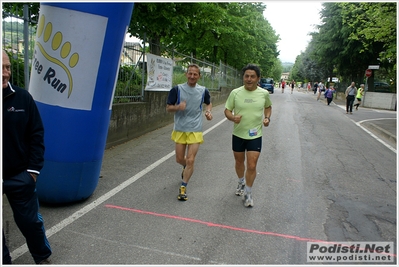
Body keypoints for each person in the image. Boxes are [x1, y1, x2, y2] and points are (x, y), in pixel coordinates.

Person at [2, 50, 52, 264]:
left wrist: (32, 171)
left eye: (8, 68)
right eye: (1, 69)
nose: (6, 73)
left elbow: (36, 134)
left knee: (30, 222)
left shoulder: (22, 98)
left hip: (19, 175)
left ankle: (41, 256)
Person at [224, 64, 272, 208]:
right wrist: (232, 118)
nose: (249, 79)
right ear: (243, 77)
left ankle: (248, 193)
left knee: (252, 165)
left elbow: (268, 107)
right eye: (246, 76)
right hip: (238, 134)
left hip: (255, 135)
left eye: (252, 76)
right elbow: (227, 110)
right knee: (239, 163)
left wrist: (267, 118)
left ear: (258, 78)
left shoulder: (264, 93)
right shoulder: (235, 93)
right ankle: (241, 182)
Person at [166, 63, 213, 201]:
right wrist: (178, 107)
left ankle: (183, 187)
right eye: (190, 73)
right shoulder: (177, 89)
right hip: (180, 128)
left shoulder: (203, 90)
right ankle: (186, 167)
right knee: (180, 159)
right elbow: (168, 108)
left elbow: (208, 103)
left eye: (195, 74)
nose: (192, 76)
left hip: (195, 129)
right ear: (186, 74)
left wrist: (208, 111)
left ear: (199, 76)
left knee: (191, 159)